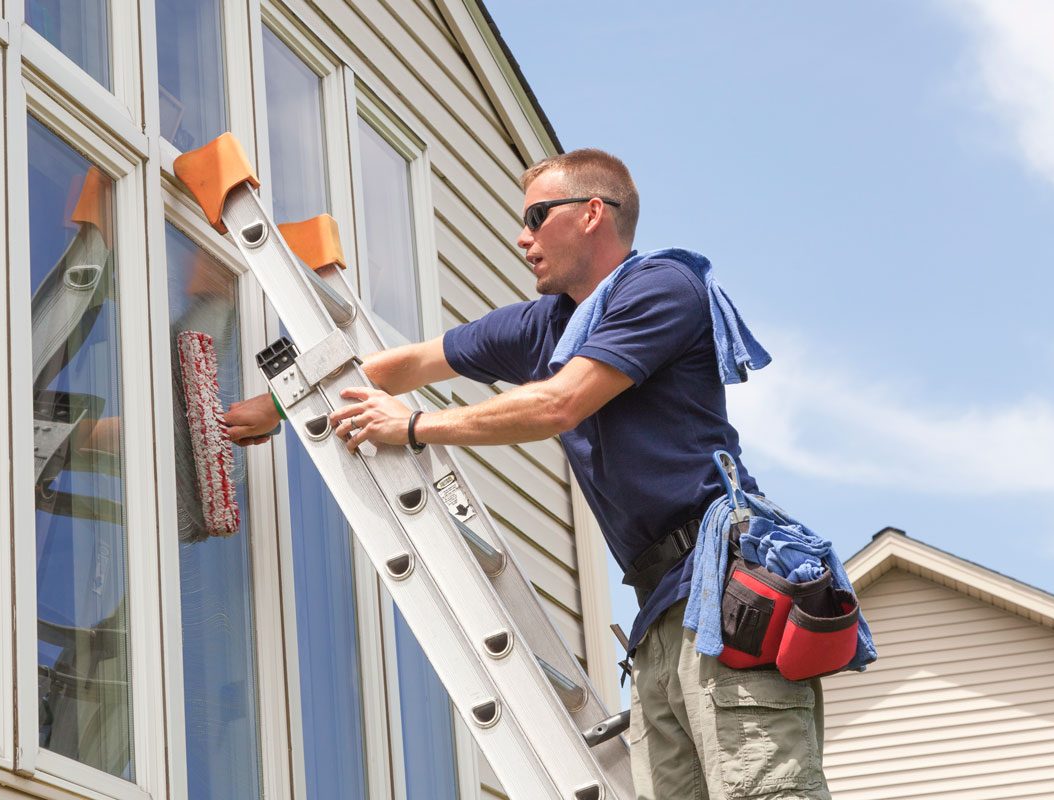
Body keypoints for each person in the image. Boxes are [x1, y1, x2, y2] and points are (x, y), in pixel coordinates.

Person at [222, 150, 830, 799]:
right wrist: (272, 408)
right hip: (659, 612)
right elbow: (409, 364)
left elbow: (559, 403)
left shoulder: (660, 287)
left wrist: (413, 428)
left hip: (721, 595)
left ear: (593, 213)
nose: (522, 238)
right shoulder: (544, 325)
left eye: (536, 218)